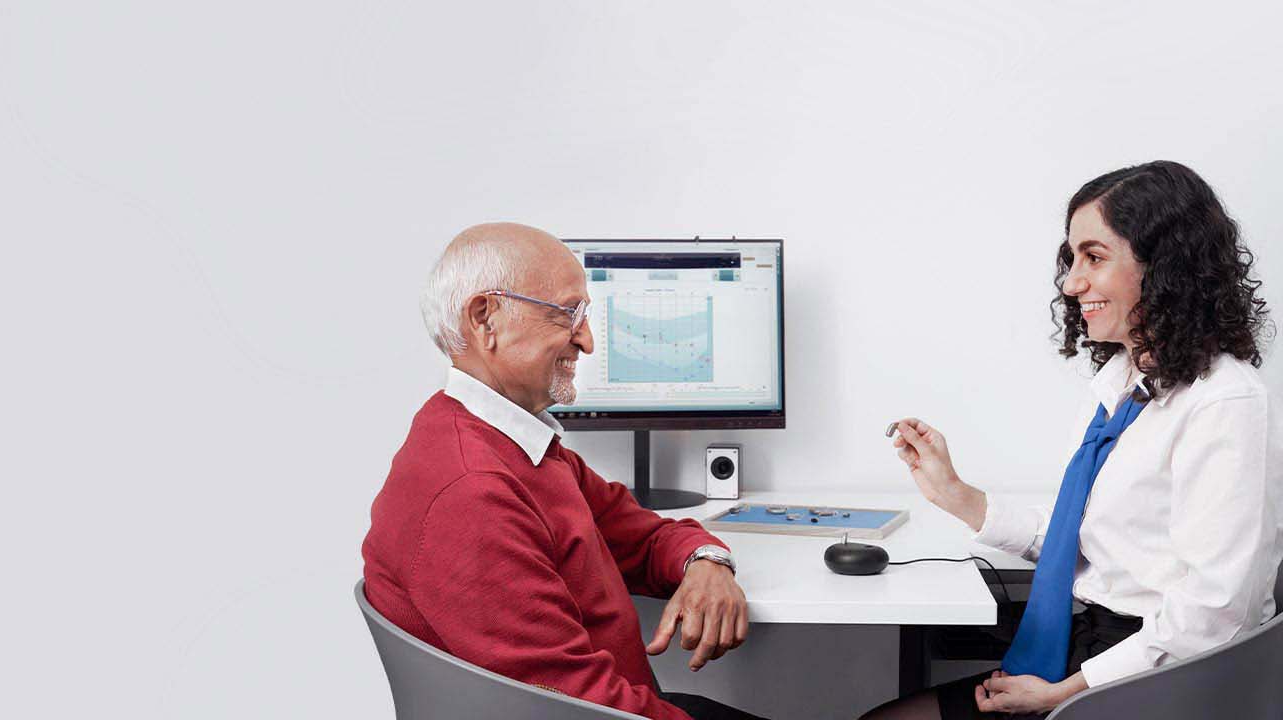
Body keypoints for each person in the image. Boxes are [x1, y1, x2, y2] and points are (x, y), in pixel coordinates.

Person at [862, 160, 1282, 720]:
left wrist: (1068, 692)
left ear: (1165, 267)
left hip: (1156, 673)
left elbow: (1218, 613)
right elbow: (1081, 540)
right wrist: (956, 494)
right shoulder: (1122, 385)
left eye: (1094, 257)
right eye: (1072, 258)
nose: (1070, 282)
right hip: (1095, 648)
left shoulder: (1224, 403)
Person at [362, 222, 767, 720]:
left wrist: (707, 562)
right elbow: (571, 702)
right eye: (567, 314)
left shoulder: (515, 444)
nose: (588, 341)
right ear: (485, 318)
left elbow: (643, 536)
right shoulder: (473, 490)